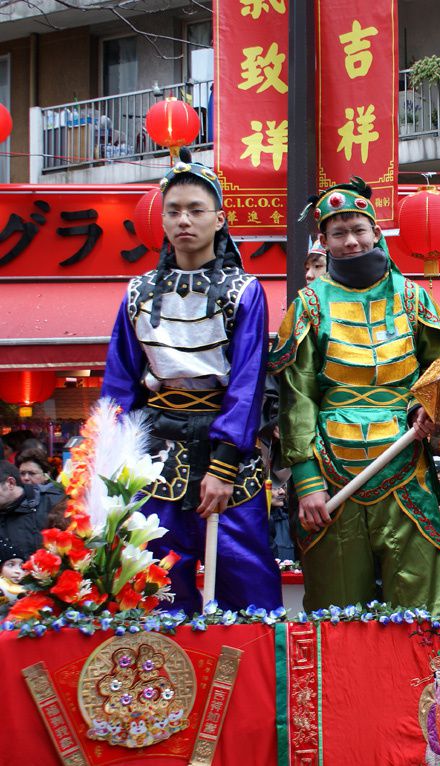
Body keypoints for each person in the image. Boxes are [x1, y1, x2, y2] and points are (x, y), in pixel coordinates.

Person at [101, 153, 282, 615]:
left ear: (220, 219)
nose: (184, 220)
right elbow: (120, 384)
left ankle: (253, 685)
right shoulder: (136, 292)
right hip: (155, 457)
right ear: (161, 219)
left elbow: (247, 383)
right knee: (153, 586)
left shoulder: (245, 290)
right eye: (174, 210)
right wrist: (108, 464)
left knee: (249, 587)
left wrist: (223, 466)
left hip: (230, 462)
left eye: (196, 210)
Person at [270, 178, 440, 612]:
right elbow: (297, 395)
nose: (351, 241)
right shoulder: (308, 304)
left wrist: (427, 406)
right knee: (337, 608)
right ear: (324, 240)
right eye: (339, 233)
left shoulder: (413, 297)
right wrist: (306, 481)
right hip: (331, 471)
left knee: (425, 604)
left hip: (405, 465)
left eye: (359, 229)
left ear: (376, 232)